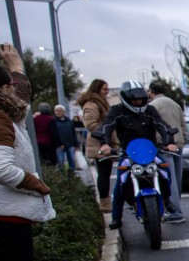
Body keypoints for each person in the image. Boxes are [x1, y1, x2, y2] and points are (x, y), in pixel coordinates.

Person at [0, 42, 58, 261]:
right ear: (3, 88)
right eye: (10, 84)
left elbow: (19, 96)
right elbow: (1, 168)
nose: (15, 90)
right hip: (7, 216)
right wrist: (39, 185)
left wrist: (16, 64)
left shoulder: (6, 110)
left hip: (4, 213)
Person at [94, 81, 179, 230]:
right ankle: (116, 217)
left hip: (151, 151)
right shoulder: (117, 110)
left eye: (141, 98)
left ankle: (166, 200)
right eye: (134, 99)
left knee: (165, 171)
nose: (138, 102)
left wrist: (169, 142)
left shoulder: (150, 110)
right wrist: (105, 143)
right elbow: (107, 126)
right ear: (126, 98)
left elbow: (162, 125)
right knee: (120, 184)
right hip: (128, 153)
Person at [148, 81, 189, 223]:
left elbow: (152, 126)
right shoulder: (175, 104)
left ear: (150, 91)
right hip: (178, 143)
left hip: (164, 145)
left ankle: (175, 212)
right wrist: (183, 139)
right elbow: (183, 125)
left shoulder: (153, 105)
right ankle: (175, 208)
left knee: (167, 180)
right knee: (177, 179)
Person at [79, 79, 116, 211]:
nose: (107, 92)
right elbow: (91, 124)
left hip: (104, 142)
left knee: (106, 173)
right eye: (104, 89)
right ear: (97, 89)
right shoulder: (92, 103)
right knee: (104, 174)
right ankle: (105, 203)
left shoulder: (100, 102)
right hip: (99, 143)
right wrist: (105, 137)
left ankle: (107, 203)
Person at [50, 105, 79, 170]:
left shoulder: (69, 121)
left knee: (72, 160)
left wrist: (76, 144)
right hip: (59, 145)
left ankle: (72, 174)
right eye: (56, 111)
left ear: (63, 112)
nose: (57, 112)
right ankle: (62, 176)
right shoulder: (53, 121)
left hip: (70, 143)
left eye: (59, 111)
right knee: (60, 161)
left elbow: (73, 133)